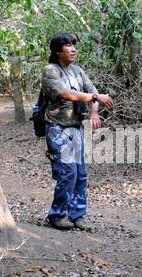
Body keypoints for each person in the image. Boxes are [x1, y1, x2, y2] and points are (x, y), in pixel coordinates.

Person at [41, 32, 113, 230]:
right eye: (68, 45)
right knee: (68, 172)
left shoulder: (78, 71)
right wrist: (94, 99)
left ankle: (77, 215)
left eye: (74, 44)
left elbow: (94, 93)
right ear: (57, 51)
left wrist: (94, 113)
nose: (73, 48)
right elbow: (66, 94)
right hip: (57, 127)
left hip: (75, 128)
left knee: (80, 173)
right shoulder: (50, 71)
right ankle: (56, 215)